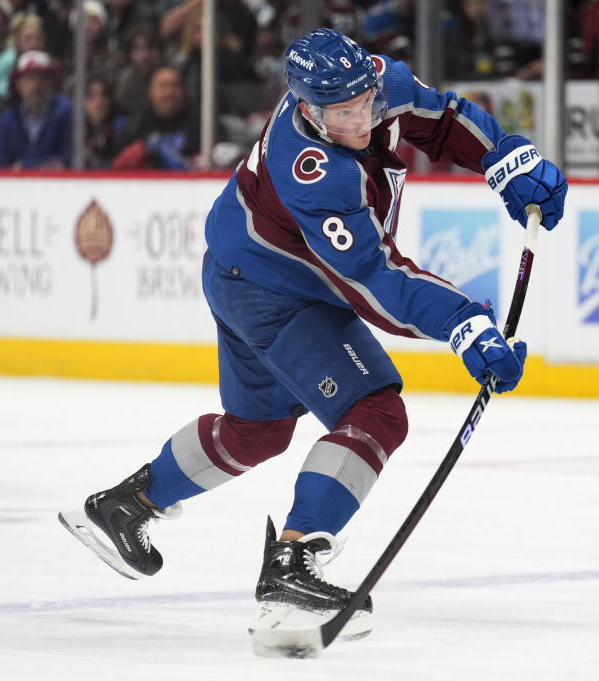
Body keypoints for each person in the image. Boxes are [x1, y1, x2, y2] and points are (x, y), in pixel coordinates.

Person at [59, 28, 566, 640]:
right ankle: (292, 564)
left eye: (366, 103)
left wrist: (504, 155)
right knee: (376, 410)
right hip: (272, 292)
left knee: (259, 430)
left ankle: (126, 507)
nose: (361, 119)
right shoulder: (312, 172)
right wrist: (466, 325)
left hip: (239, 269)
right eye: (342, 113)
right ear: (306, 108)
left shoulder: (373, 85)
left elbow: (441, 117)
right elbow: (375, 279)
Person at [0, 49, 71, 168]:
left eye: (42, 78)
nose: (36, 85)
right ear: (18, 84)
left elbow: (70, 157)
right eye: (29, 78)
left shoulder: (66, 112)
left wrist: (23, 166)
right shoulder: (6, 119)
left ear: (51, 82)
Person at [111, 65, 198, 170]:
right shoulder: (135, 125)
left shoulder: (200, 125)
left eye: (175, 86)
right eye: (163, 86)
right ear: (151, 92)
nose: (169, 93)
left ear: (184, 91)